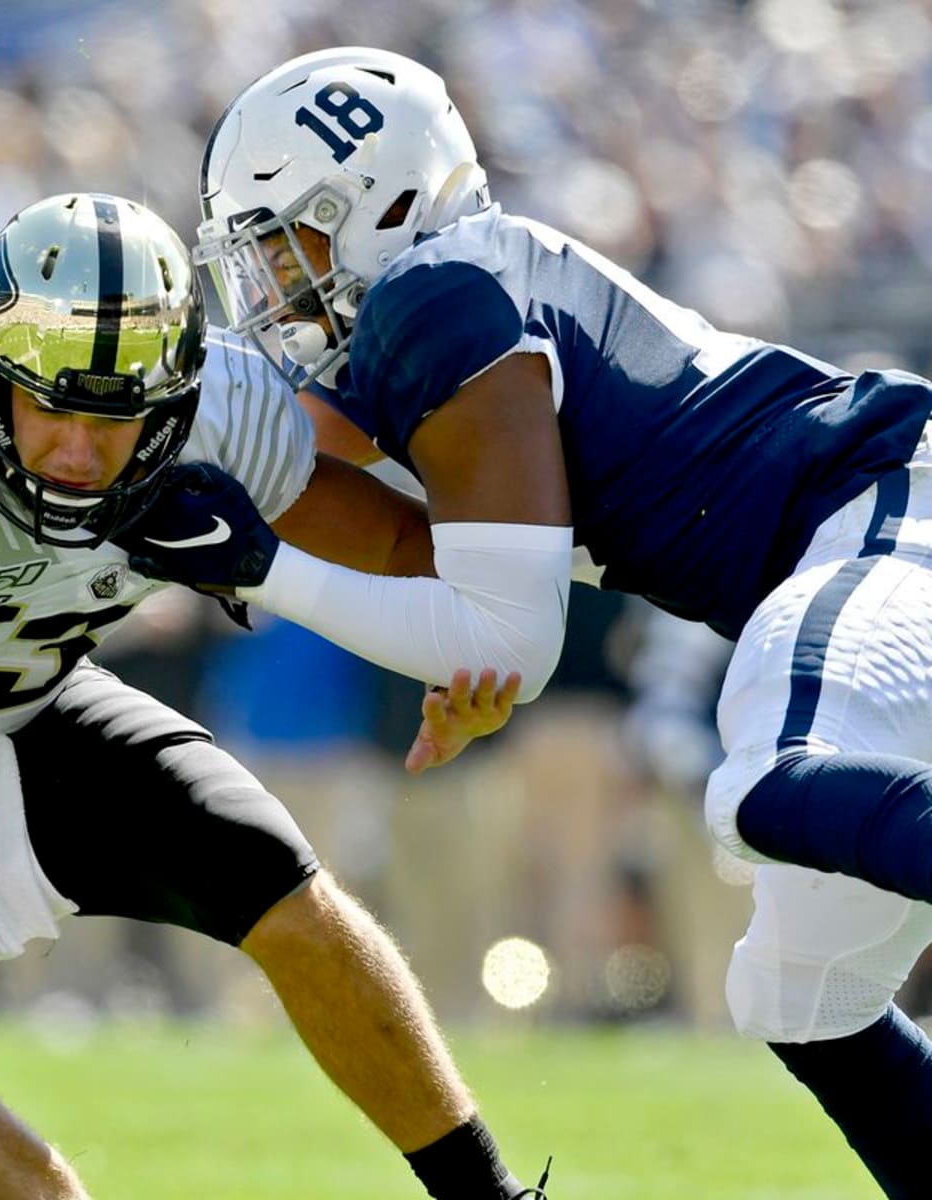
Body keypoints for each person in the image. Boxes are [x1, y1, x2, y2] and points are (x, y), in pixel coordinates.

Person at [127, 44, 932, 1198]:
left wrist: (260, 568)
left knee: (762, 777)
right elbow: (371, 519)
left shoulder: (436, 297)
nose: (265, 281)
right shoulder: (435, 302)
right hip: (859, 537)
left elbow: (508, 641)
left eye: (280, 239)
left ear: (376, 205)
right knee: (800, 994)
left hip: (881, 502)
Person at [0, 191, 546, 1200]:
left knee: (287, 892)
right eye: (51, 408)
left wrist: (466, 659)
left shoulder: (228, 419)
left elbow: (400, 547)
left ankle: (491, 1198)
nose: (79, 454)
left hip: (38, 714)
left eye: (116, 419)